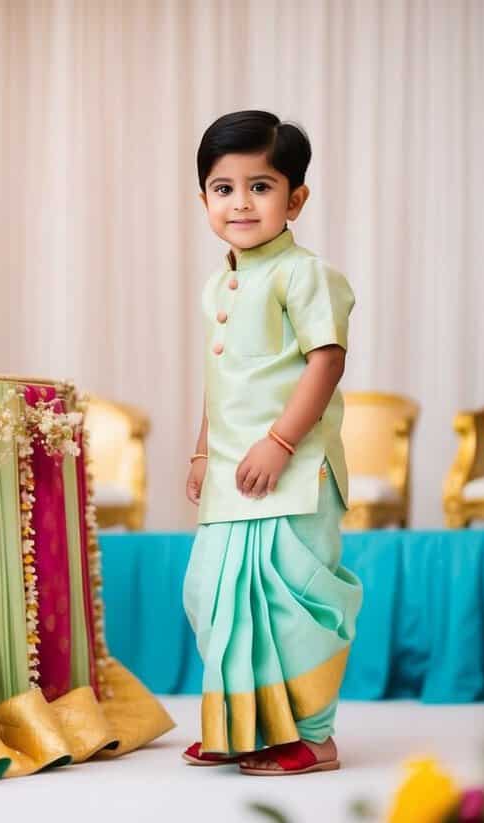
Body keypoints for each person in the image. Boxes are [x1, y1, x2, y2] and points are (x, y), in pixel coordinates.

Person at [181, 110, 363, 776]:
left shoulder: (305, 274)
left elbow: (327, 361)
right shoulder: (217, 284)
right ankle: (243, 723)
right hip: (233, 472)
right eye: (223, 188)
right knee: (214, 590)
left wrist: (281, 441)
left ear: (296, 199)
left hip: (295, 469)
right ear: (204, 200)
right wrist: (204, 450)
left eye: (260, 186)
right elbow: (217, 376)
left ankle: (311, 735)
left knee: (289, 599)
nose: (240, 202)